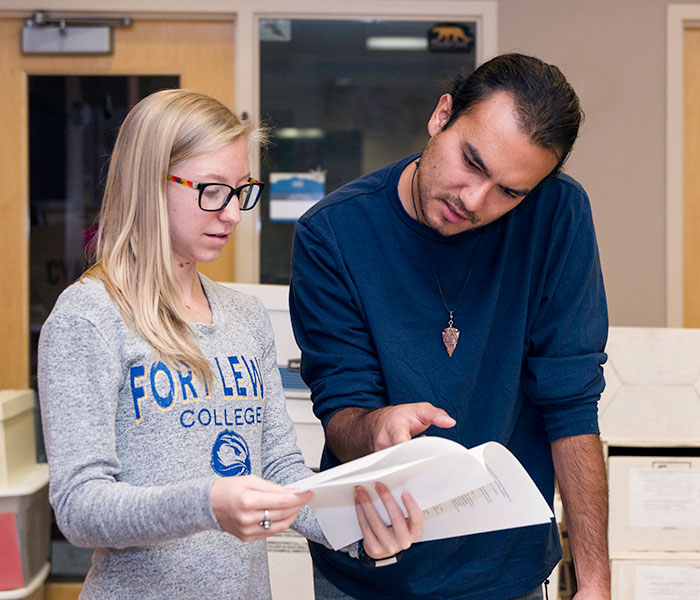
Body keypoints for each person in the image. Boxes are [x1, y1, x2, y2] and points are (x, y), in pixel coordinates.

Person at [38, 89, 422, 600]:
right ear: (149, 183)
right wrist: (209, 503)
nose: (233, 214)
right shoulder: (90, 316)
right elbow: (79, 507)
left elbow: (280, 471)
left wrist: (357, 529)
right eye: (212, 190)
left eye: (241, 190)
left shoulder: (244, 317)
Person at [289, 53, 610, 600]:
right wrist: (377, 426)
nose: (474, 200)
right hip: (370, 572)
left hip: (507, 574)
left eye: (511, 192)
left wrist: (596, 581)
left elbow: (571, 404)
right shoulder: (334, 234)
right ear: (442, 115)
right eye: (473, 163)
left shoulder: (558, 216)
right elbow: (341, 410)